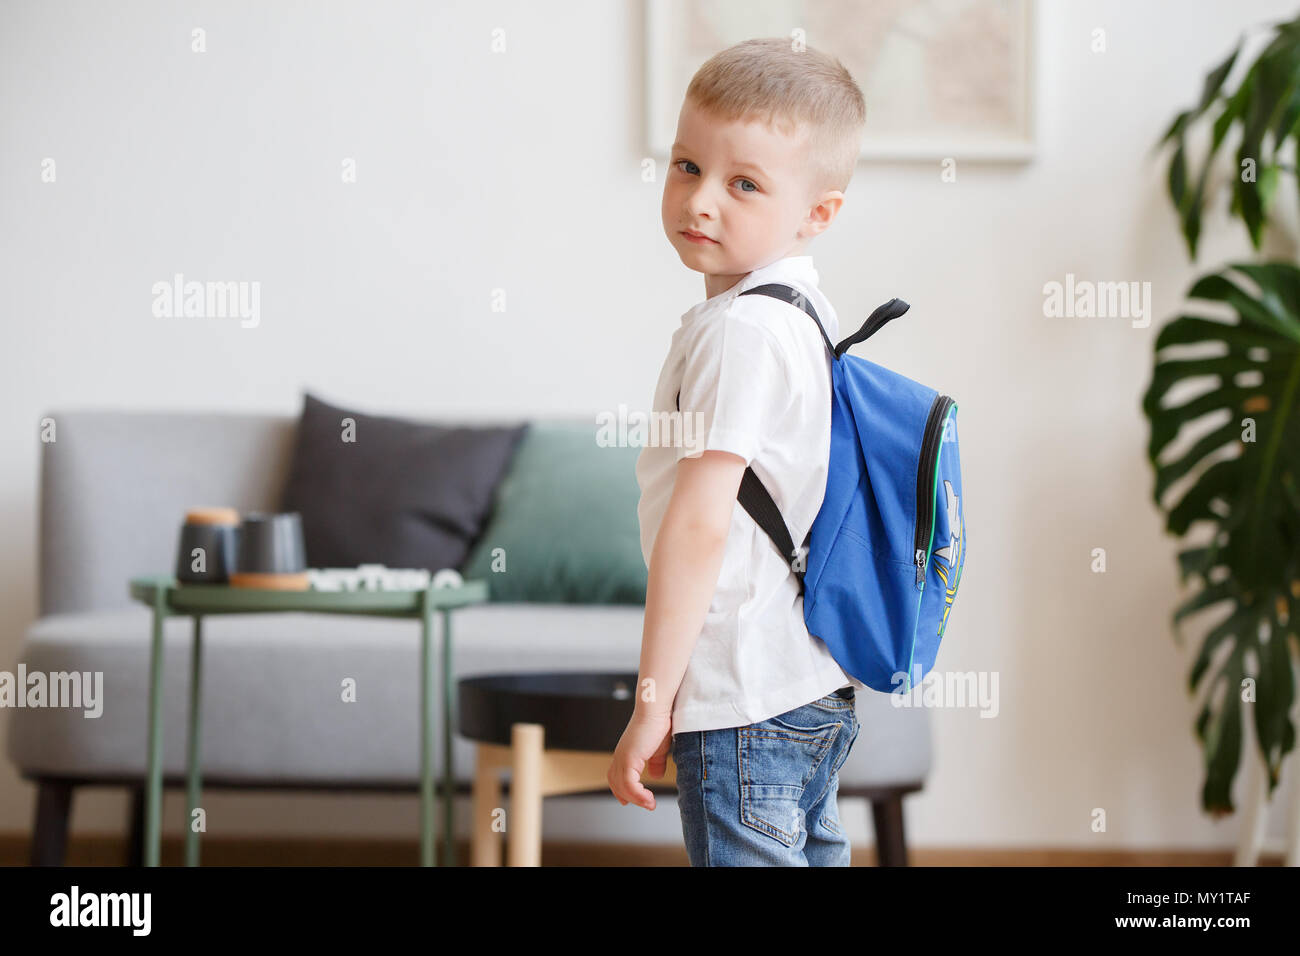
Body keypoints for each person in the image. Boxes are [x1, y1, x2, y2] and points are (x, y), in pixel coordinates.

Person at [606, 36, 869, 865]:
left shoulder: (743, 333)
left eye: (744, 183)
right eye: (687, 165)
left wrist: (654, 700)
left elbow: (699, 527)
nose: (702, 200)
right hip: (810, 685)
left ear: (816, 213)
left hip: (742, 693)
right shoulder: (803, 314)